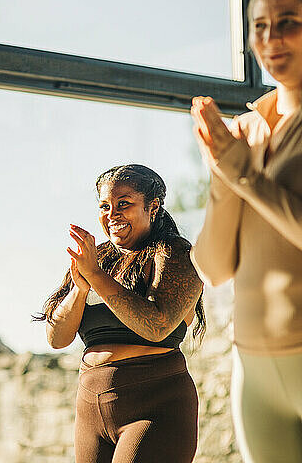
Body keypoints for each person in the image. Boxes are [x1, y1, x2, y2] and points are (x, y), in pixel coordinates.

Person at [190, 0, 302, 463]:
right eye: (260, 25)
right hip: (253, 365)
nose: (271, 38)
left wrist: (244, 175)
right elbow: (213, 269)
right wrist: (222, 171)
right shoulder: (248, 133)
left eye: (289, 22)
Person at [35, 164, 204, 463]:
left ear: (153, 207)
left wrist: (95, 275)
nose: (112, 214)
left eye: (123, 204)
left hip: (155, 402)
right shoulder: (95, 258)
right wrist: (81, 287)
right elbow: (57, 338)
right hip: (91, 405)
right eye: (104, 206)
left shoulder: (175, 253)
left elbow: (157, 326)